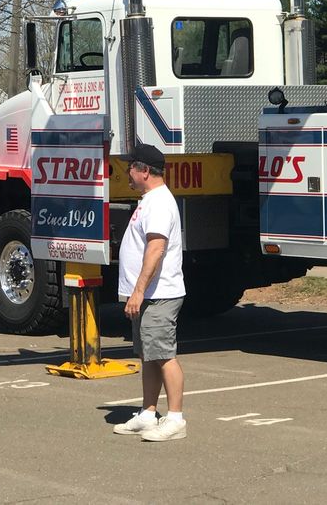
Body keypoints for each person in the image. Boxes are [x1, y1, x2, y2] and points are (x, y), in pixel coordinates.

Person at [112, 143, 187, 442]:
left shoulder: (158, 203)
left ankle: (176, 419)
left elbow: (156, 250)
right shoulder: (149, 200)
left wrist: (138, 291)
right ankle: (147, 413)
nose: (127, 173)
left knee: (164, 355)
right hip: (147, 294)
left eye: (131, 167)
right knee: (149, 355)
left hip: (159, 294)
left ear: (144, 171)